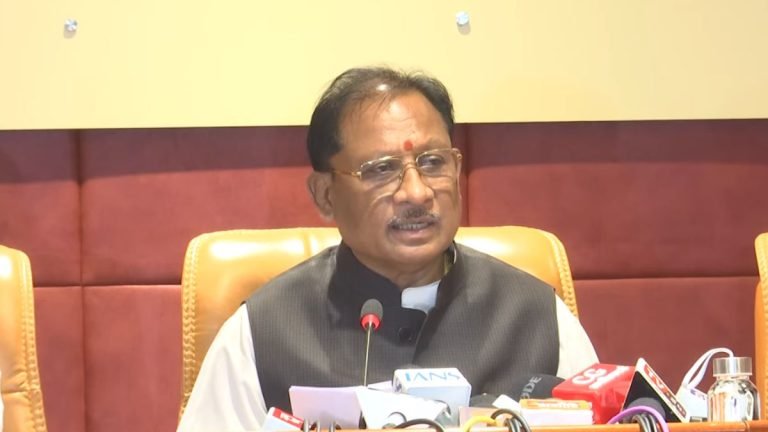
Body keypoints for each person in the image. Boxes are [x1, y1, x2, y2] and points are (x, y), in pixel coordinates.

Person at [177, 66, 598, 431]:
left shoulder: (536, 317)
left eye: (433, 163)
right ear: (325, 195)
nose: (417, 192)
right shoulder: (264, 330)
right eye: (381, 170)